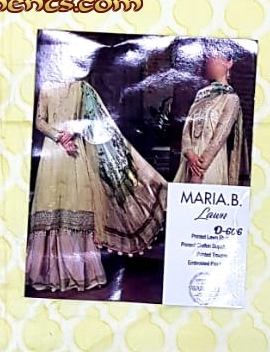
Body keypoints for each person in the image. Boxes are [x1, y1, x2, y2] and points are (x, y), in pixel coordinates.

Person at [27, 79, 167, 292]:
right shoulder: (47, 87)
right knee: (50, 207)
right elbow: (39, 121)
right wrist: (59, 137)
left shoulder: (82, 88)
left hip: (76, 153)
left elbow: (95, 122)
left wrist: (73, 131)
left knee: (77, 205)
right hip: (53, 154)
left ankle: (79, 273)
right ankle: (49, 273)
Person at [173, 40, 248, 186]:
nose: (211, 61)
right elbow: (187, 128)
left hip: (209, 165)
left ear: (229, 63)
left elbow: (220, 136)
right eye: (209, 57)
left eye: (216, 57)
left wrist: (199, 170)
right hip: (190, 162)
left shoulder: (231, 99)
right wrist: (190, 154)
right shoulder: (201, 94)